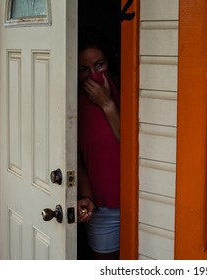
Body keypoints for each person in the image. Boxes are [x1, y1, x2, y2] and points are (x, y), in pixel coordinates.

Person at [76, 27, 121, 260]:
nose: (92, 74)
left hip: (137, 200)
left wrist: (108, 104)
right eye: (83, 69)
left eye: (99, 65)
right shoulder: (74, 104)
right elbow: (77, 156)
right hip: (101, 209)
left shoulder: (125, 91)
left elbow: (133, 144)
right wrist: (86, 196)